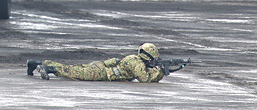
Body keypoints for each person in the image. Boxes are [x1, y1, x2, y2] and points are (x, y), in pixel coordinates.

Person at [27, 43, 169, 82]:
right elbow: (144, 79)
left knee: (72, 68)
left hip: (100, 67)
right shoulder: (138, 64)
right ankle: (49, 68)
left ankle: (38, 62)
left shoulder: (134, 58)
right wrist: (161, 71)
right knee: (73, 72)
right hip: (100, 73)